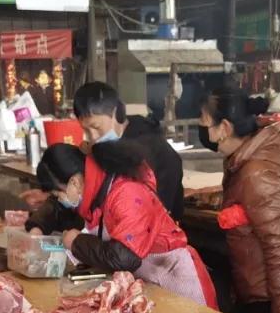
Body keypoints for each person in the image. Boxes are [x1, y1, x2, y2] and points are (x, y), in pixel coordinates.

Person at [36, 139, 217, 308]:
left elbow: (124, 257)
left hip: (175, 278)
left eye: (58, 194)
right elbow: (61, 211)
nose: (60, 200)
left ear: (74, 182)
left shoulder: (125, 192)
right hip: (150, 279)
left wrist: (76, 242)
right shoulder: (97, 189)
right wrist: (37, 226)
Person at [198, 87, 280, 313]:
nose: (202, 130)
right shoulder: (241, 161)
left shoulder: (256, 175)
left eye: (205, 123)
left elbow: (279, 247)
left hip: (270, 299)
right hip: (259, 289)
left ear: (224, 128)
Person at [22, 82, 184, 221]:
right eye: (86, 130)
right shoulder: (106, 147)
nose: (93, 137)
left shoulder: (148, 152)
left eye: (97, 127)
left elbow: (144, 219)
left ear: (116, 113)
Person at [24, 143, 85, 236]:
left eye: (61, 191)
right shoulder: (66, 199)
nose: (60, 197)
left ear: (75, 182)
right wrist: (36, 227)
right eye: (56, 194)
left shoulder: (104, 198)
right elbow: (53, 207)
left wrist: (78, 240)